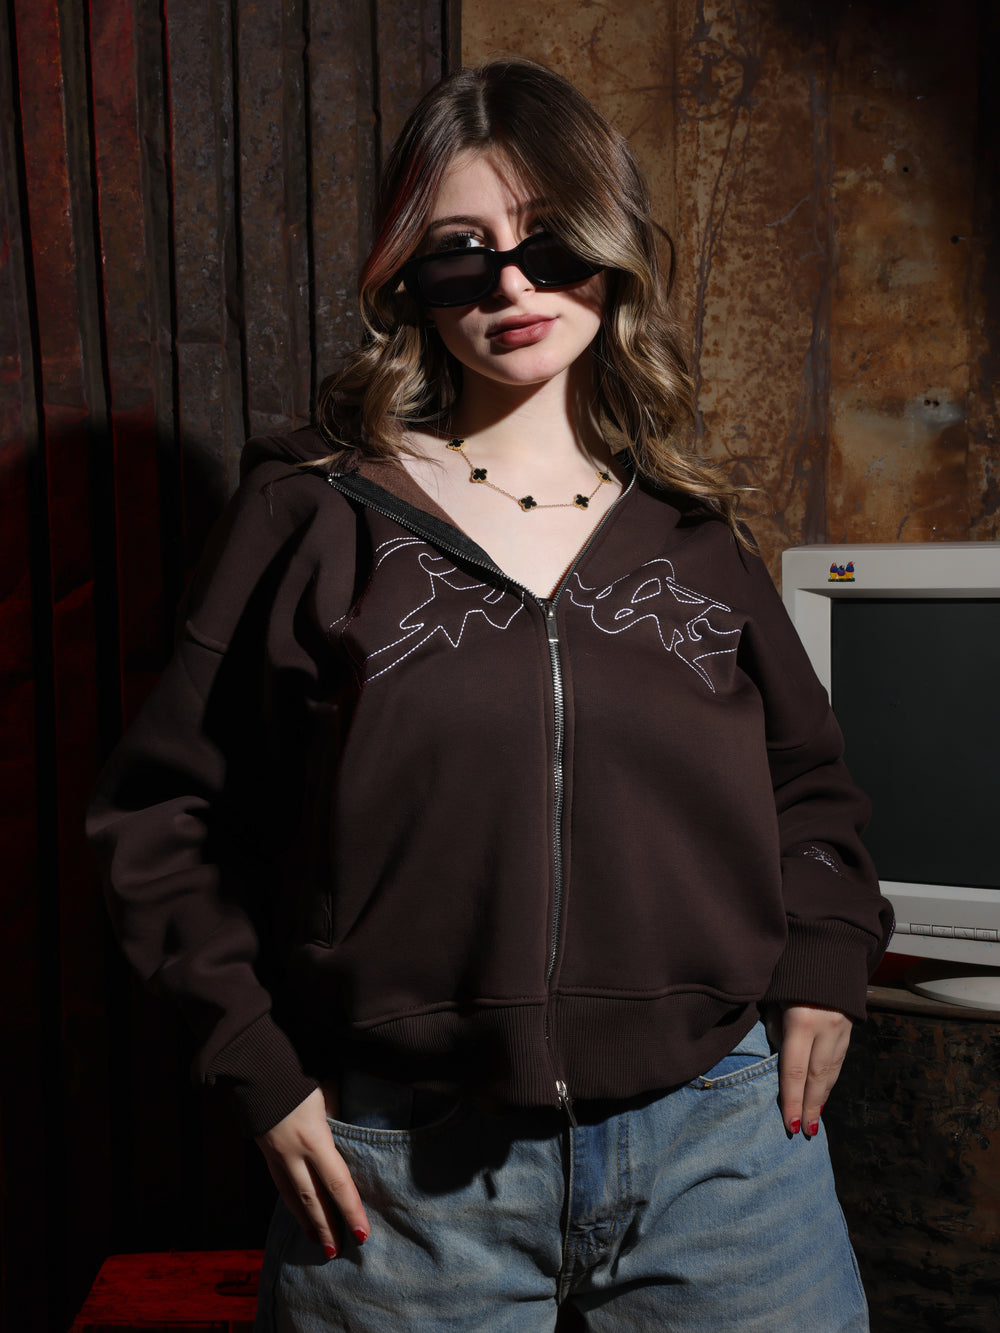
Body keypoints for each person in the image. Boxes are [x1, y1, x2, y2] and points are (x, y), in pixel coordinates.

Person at [88, 57, 894, 1332]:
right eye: (461, 252)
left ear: (610, 250)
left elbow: (808, 785)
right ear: (407, 278)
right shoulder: (310, 516)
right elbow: (161, 815)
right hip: (401, 1183)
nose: (512, 284)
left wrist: (827, 963)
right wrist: (253, 1060)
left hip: (722, 1153)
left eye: (550, 240)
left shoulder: (695, 536)